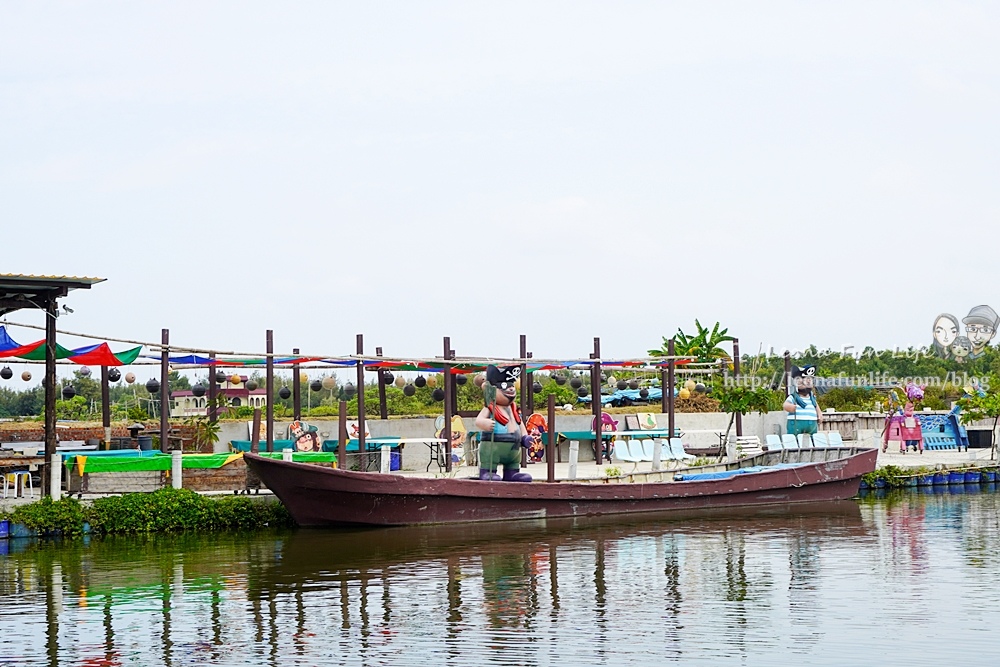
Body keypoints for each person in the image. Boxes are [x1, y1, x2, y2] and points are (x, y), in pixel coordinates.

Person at [474, 365, 533, 482]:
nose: (510, 389)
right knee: (490, 460)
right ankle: (487, 472)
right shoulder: (490, 408)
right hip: (493, 446)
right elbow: (478, 421)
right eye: (504, 386)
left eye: (511, 386)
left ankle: (512, 473)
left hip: (513, 449)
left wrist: (525, 436)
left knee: (513, 463)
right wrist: (484, 423)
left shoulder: (514, 409)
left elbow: (520, 424)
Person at [784, 365, 821, 440]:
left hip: (812, 423)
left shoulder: (812, 398)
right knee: (793, 439)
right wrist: (790, 407)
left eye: (810, 379)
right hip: (796, 422)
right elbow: (785, 405)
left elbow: (816, 406)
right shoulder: (793, 397)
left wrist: (819, 414)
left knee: (812, 439)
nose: (808, 381)